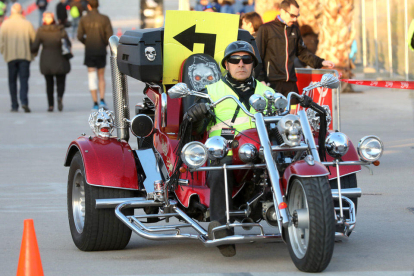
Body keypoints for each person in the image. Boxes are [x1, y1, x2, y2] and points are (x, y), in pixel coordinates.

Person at [185, 41, 275, 257]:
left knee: (295, 158)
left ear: (254, 64)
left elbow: (282, 119)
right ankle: (220, 228)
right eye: (235, 60)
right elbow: (194, 129)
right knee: (220, 168)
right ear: (226, 64)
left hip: (262, 149)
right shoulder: (211, 91)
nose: (241, 64)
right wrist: (196, 113)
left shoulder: (267, 91)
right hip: (225, 150)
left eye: (246, 60)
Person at [255, 0, 334, 102]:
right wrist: (261, 79)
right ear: (282, 11)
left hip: (290, 83)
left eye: (297, 16)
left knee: (291, 115)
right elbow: (258, 55)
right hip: (272, 82)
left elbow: (302, 53)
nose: (295, 19)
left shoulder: (295, 30)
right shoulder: (266, 29)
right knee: (275, 116)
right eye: (292, 15)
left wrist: (321, 62)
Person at [31, 12, 71, 112]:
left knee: (49, 83)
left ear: (44, 20)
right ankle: (60, 97)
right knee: (61, 82)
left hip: (46, 60)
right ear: (54, 19)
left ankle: (51, 105)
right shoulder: (60, 29)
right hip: (60, 59)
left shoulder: (41, 31)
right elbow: (68, 43)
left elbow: (35, 47)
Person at [77, 0, 113, 110]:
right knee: (101, 76)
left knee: (91, 76)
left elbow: (79, 36)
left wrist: (86, 42)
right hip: (101, 50)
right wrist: (103, 44)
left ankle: (95, 102)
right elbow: (110, 36)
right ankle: (102, 100)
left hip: (90, 51)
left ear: (88, 6)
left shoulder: (84, 19)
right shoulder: (104, 18)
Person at [0, 3, 36, 113]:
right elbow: (34, 40)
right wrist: (33, 54)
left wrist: (4, 53)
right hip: (25, 56)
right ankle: (24, 102)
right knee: (24, 80)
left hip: (11, 56)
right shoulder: (27, 23)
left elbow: (1, 42)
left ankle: (14, 105)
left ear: (11, 12)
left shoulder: (5, 24)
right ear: (21, 11)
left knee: (12, 81)